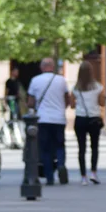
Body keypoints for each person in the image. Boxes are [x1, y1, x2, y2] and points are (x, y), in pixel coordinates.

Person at [27, 57, 74, 185]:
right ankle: (60, 164)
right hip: (59, 118)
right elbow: (67, 99)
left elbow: (31, 102)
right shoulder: (61, 80)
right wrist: (61, 108)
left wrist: (34, 107)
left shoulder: (35, 80)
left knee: (45, 148)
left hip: (42, 118)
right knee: (59, 144)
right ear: (52, 67)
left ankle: (49, 176)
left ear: (42, 67)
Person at [72, 61, 106, 185]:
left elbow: (71, 104)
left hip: (80, 118)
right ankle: (93, 173)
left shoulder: (75, 88)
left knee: (81, 148)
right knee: (94, 147)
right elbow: (102, 103)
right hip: (94, 119)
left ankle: (83, 177)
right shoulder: (98, 87)